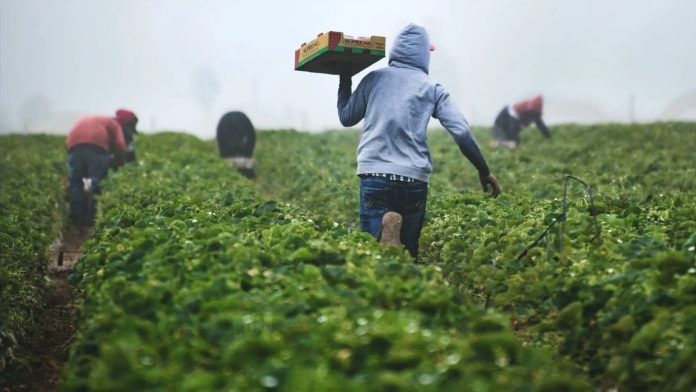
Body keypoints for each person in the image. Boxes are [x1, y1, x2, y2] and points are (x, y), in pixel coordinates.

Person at [337, 23, 500, 259]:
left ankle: (385, 229)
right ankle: (402, 268)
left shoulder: (374, 79)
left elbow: (346, 117)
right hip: (413, 177)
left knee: (372, 254)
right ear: (425, 55)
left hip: (375, 173)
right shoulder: (433, 89)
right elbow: (462, 132)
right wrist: (483, 170)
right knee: (408, 255)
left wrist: (345, 77)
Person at [65, 112, 127, 226]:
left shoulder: (85, 118)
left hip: (73, 147)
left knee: (75, 183)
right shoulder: (114, 124)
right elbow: (120, 146)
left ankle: (76, 219)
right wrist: (118, 164)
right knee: (96, 182)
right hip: (97, 147)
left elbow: (69, 138)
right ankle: (91, 220)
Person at [216, 111, 256, 179]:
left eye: (240, 138)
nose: (238, 142)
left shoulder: (248, 131)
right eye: (235, 139)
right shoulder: (224, 131)